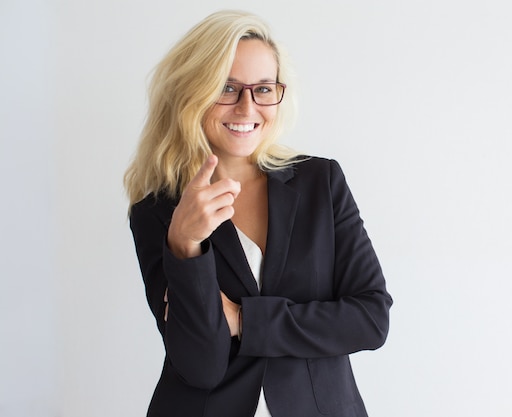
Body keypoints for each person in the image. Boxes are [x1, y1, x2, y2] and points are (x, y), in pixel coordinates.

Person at [124, 9, 392, 417]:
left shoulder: (321, 182)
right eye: (227, 88)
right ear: (192, 93)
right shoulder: (159, 213)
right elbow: (201, 365)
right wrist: (184, 246)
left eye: (263, 89)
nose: (247, 107)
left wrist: (245, 320)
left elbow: (370, 319)